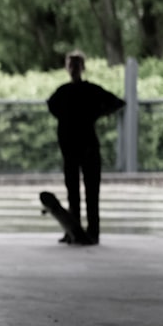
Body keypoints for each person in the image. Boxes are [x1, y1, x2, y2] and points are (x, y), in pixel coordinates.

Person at [46, 50, 125, 245]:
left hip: (80, 146)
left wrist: (94, 114)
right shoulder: (84, 91)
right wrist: (97, 113)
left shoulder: (66, 93)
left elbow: (52, 107)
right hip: (80, 146)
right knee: (79, 191)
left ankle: (84, 231)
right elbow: (116, 103)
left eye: (75, 65)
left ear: (80, 68)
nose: (73, 69)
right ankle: (81, 230)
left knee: (85, 192)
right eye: (71, 65)